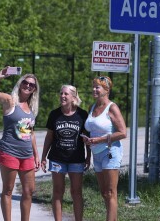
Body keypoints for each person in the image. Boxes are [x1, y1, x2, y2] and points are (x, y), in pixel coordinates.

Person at [0, 66, 41, 221]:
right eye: (26, 82)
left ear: (34, 90)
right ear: (20, 83)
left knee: (28, 191)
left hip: (27, 156)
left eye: (32, 85)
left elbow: (30, 133)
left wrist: (36, 154)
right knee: (8, 190)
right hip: (9, 152)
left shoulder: (31, 108)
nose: (28, 86)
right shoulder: (10, 101)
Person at [41, 85, 91, 221]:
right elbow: (49, 137)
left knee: (76, 192)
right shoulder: (54, 114)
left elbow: (87, 138)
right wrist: (43, 157)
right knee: (57, 191)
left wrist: (88, 157)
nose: (62, 96)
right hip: (57, 159)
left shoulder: (82, 114)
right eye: (61, 93)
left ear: (73, 97)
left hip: (77, 159)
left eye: (66, 94)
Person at [83, 76, 127, 221]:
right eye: (93, 86)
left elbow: (122, 133)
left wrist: (100, 139)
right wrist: (88, 155)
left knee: (110, 192)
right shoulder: (92, 107)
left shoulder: (112, 107)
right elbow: (89, 132)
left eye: (98, 87)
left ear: (107, 90)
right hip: (96, 154)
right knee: (103, 193)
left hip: (110, 152)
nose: (94, 89)